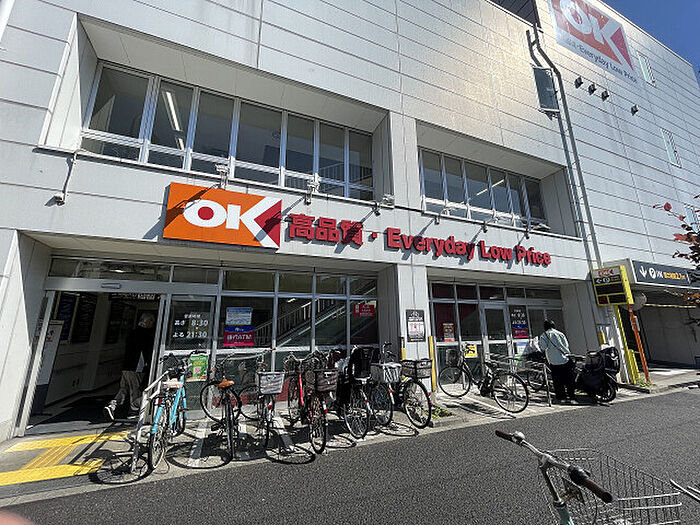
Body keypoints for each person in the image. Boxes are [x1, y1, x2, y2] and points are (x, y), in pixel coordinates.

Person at [104, 312, 156, 420]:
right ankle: (133, 412)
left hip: (126, 366)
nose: (152, 324)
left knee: (124, 389)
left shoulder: (132, 333)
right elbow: (147, 353)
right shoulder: (145, 335)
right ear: (148, 322)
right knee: (135, 391)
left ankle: (112, 405)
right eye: (152, 322)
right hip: (137, 368)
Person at [538, 319, 575, 402]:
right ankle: (572, 396)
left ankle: (561, 397)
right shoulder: (560, 333)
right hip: (565, 359)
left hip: (554, 361)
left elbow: (543, 347)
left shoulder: (544, 335)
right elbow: (566, 345)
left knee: (557, 381)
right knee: (568, 379)